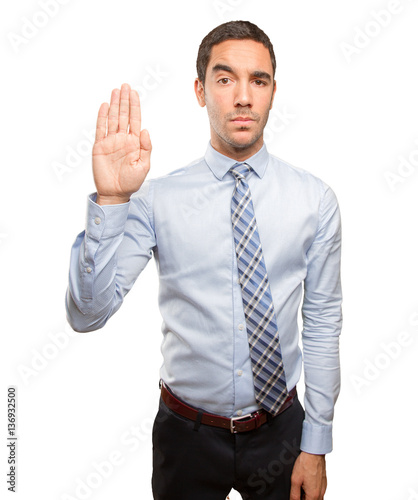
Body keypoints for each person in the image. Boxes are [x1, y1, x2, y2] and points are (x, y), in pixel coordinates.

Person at [66, 20, 342, 500]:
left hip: (283, 433)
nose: (242, 97)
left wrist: (316, 444)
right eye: (224, 78)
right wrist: (111, 201)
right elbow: (86, 315)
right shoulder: (156, 200)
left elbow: (321, 320)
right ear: (200, 90)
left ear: (273, 91)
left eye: (258, 80)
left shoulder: (314, 200)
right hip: (185, 437)